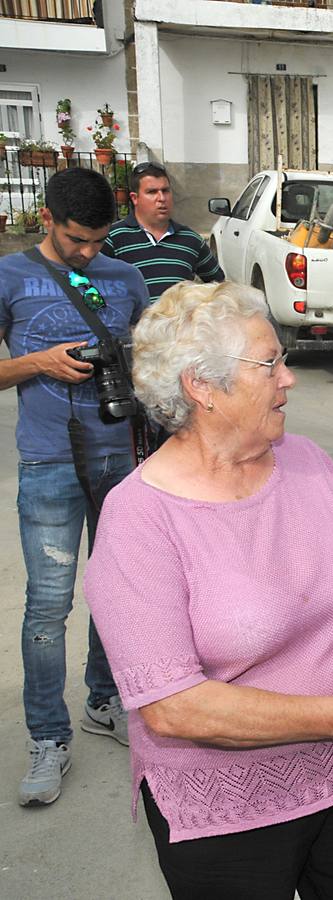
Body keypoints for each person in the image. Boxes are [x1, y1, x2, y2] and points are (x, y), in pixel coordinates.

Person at [83, 280, 333, 898]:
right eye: (270, 363)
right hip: (231, 814)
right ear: (202, 386)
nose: (289, 378)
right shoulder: (139, 517)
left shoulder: (308, 461)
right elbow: (173, 705)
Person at [0, 168, 149, 806]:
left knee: (115, 595)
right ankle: (47, 737)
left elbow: (153, 360)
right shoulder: (8, 275)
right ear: (47, 219)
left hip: (122, 460)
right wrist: (38, 362)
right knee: (46, 608)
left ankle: (105, 700)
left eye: (98, 240)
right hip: (48, 462)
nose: (89, 252)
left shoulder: (126, 277)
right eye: (75, 240)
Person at [101, 161, 224, 303]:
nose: (161, 198)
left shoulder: (191, 240)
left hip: (176, 324)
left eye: (165, 191)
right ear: (135, 198)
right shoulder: (113, 238)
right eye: (152, 192)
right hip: (132, 324)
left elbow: (220, 287)